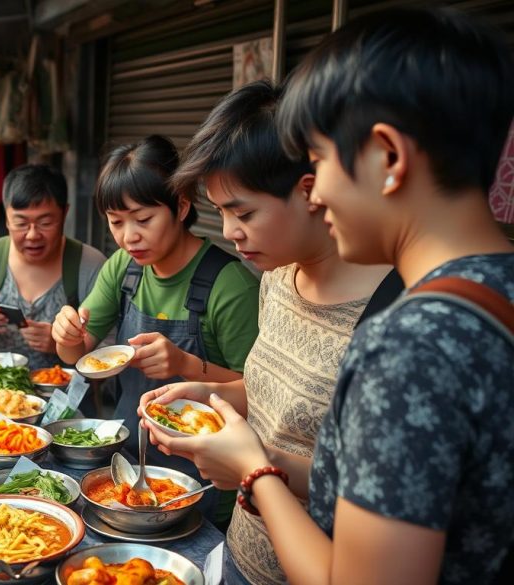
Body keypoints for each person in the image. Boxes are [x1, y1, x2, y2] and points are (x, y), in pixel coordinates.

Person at [144, 7, 514, 584]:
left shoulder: (409, 342)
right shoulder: (491, 293)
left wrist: (256, 473)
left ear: (387, 158)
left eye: (318, 160)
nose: (317, 194)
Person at [142, 80, 398, 585]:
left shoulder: (392, 317)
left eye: (244, 212)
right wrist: (211, 395)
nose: (231, 232)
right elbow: (271, 397)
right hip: (242, 552)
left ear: (312, 190)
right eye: (221, 213)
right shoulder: (277, 279)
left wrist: (256, 470)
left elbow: (372, 496)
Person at [52, 135, 260, 525]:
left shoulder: (230, 285)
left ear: (181, 206)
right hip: (126, 466)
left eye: (143, 219)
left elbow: (259, 394)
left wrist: (184, 363)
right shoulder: (124, 269)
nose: (129, 236)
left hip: (205, 481)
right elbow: (78, 356)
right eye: (116, 222)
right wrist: (66, 336)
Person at [0, 164, 106, 369]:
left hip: (63, 397)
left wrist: (63, 343)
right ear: (7, 218)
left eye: (45, 222)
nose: (32, 235)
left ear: (65, 213)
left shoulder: (90, 264)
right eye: (21, 223)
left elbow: (109, 348)